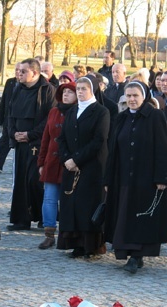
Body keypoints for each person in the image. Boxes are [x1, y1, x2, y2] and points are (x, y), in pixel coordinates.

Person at [104, 81, 167, 274]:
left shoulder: (156, 116)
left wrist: (162, 178)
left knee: (140, 217)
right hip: (123, 175)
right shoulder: (122, 117)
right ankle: (127, 251)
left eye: (136, 95)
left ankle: (137, 256)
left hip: (146, 177)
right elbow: (113, 150)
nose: (132, 99)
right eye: (129, 96)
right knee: (124, 214)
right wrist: (108, 179)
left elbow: (163, 148)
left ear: (144, 97)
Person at [58, 77, 110, 258]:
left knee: (87, 206)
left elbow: (99, 140)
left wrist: (77, 160)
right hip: (71, 166)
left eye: (84, 89)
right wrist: (66, 159)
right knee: (72, 205)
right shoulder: (72, 111)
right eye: (78, 89)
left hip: (92, 167)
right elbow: (62, 137)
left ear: (93, 90)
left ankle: (91, 246)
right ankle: (75, 243)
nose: (79, 92)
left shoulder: (101, 112)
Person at [7, 58, 56, 230]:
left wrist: (30, 135)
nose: (19, 74)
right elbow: (10, 113)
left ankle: (43, 217)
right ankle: (22, 219)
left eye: (23, 71)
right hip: (20, 142)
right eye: (19, 71)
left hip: (38, 143)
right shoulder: (17, 89)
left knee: (35, 180)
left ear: (34, 73)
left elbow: (49, 119)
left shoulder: (48, 90)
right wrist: (13, 133)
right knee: (20, 181)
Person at [36, 82, 77, 249]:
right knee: (49, 198)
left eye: (70, 92)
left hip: (70, 163)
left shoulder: (77, 112)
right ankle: (49, 234)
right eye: (64, 92)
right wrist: (41, 161)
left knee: (68, 200)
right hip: (51, 162)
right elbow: (45, 138)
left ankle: (67, 234)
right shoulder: (54, 111)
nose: (66, 95)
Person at [0, 63, 21, 173]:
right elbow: (4, 101)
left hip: (19, 121)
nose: (18, 72)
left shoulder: (25, 85)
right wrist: (0, 119)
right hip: (8, 118)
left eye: (20, 70)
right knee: (4, 141)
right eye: (16, 69)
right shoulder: (10, 82)